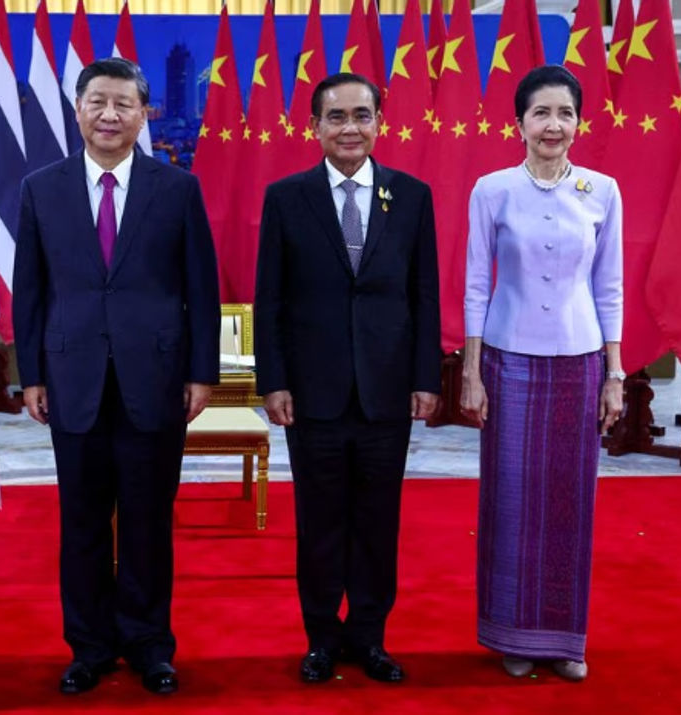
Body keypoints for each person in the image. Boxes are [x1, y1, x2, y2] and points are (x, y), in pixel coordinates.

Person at [13, 58, 219, 696]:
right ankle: (90, 647)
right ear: (77, 110)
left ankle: (150, 644)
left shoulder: (176, 188)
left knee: (148, 522)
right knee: (80, 524)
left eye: (123, 104)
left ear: (142, 114)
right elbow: (31, 289)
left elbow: (200, 289)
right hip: (71, 380)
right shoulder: (41, 188)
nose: (109, 114)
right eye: (97, 102)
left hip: (154, 382)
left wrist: (200, 372)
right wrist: (32, 375)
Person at [254, 73, 442, 684]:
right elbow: (271, 300)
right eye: (336, 117)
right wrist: (274, 381)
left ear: (379, 123)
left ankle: (369, 637)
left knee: (378, 520)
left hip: (388, 391)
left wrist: (426, 377)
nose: (350, 128)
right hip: (312, 394)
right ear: (315, 128)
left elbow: (424, 295)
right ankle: (321, 639)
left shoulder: (411, 196)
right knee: (320, 521)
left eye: (362, 115)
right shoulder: (287, 197)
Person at [460, 65, 624, 682]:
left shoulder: (602, 190)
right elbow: (477, 284)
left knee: (569, 502)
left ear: (579, 122)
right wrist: (472, 371)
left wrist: (614, 371)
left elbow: (609, 286)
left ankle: (567, 638)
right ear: (520, 122)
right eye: (541, 114)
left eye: (564, 114)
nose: (553, 125)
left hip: (580, 363)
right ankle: (513, 635)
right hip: (508, 359)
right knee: (511, 499)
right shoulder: (492, 189)